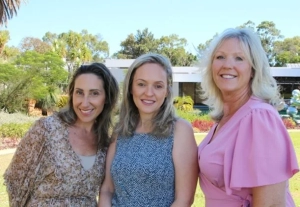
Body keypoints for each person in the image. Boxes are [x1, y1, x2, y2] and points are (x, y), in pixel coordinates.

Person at [197, 28, 299, 207]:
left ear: (253, 69)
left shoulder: (259, 117)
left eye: (239, 58)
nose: (227, 65)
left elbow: (271, 204)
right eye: (220, 57)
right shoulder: (223, 119)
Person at [4, 63, 119, 206]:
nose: (84, 102)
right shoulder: (47, 129)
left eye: (94, 93)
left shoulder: (105, 142)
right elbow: (14, 180)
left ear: (107, 98)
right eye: (79, 92)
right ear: (72, 95)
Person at [99, 53, 198, 207]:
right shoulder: (120, 130)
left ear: (166, 91)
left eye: (158, 86)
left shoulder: (180, 131)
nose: (149, 92)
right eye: (141, 84)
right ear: (131, 87)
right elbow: (107, 189)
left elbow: (184, 199)